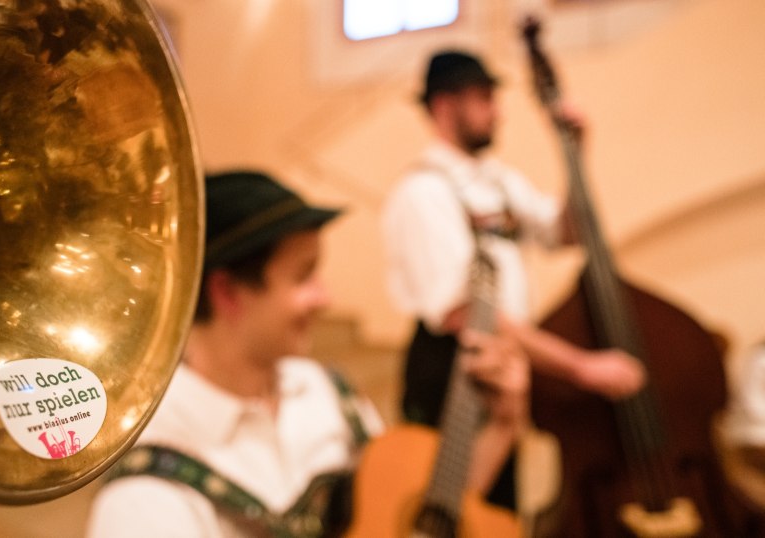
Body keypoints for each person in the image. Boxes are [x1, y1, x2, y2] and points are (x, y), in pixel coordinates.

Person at [87, 170, 533, 537]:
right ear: (227, 293)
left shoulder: (324, 389)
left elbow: (421, 517)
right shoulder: (144, 497)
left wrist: (502, 425)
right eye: (304, 277)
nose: (326, 298)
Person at [382, 50, 646, 510]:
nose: (498, 110)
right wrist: (580, 367)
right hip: (453, 370)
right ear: (444, 107)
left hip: (503, 363)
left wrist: (576, 156)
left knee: (496, 514)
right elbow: (467, 314)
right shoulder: (422, 193)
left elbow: (569, 231)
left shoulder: (498, 182)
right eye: (484, 97)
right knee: (452, 511)